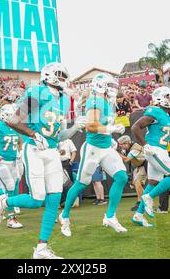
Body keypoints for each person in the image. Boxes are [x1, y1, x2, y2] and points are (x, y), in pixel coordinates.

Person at [0, 63, 86, 259]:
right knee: (37, 200)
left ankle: (41, 249)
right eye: (59, 74)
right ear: (48, 75)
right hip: (33, 149)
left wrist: (76, 126)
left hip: (52, 151)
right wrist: (34, 135)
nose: (62, 78)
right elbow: (14, 121)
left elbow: (59, 136)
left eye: (63, 75)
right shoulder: (38, 91)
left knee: (53, 200)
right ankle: (4, 202)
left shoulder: (63, 100)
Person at [60, 72, 129, 237]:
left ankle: (110, 216)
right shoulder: (95, 100)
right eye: (110, 86)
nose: (113, 90)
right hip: (93, 149)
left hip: (105, 147)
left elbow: (102, 125)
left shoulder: (106, 101)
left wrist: (110, 137)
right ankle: (64, 216)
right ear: (101, 86)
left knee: (121, 177)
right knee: (81, 184)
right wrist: (110, 130)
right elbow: (91, 127)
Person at [131, 86, 170, 227]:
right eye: (168, 96)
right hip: (154, 150)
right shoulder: (156, 111)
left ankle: (138, 215)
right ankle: (149, 197)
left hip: (161, 150)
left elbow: (163, 136)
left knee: (153, 182)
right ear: (160, 99)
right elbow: (136, 127)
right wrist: (144, 144)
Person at [0, 104, 24, 229]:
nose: (12, 118)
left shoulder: (16, 128)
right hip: (1, 162)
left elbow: (19, 141)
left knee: (9, 189)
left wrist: (19, 152)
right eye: (10, 115)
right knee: (9, 187)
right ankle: (11, 218)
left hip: (13, 161)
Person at [117, 135, 147, 211]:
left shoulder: (135, 148)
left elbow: (126, 159)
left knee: (137, 183)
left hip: (145, 165)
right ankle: (146, 201)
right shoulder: (128, 147)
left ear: (126, 143)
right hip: (139, 166)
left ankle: (140, 202)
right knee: (136, 184)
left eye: (121, 145)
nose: (121, 147)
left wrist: (116, 152)